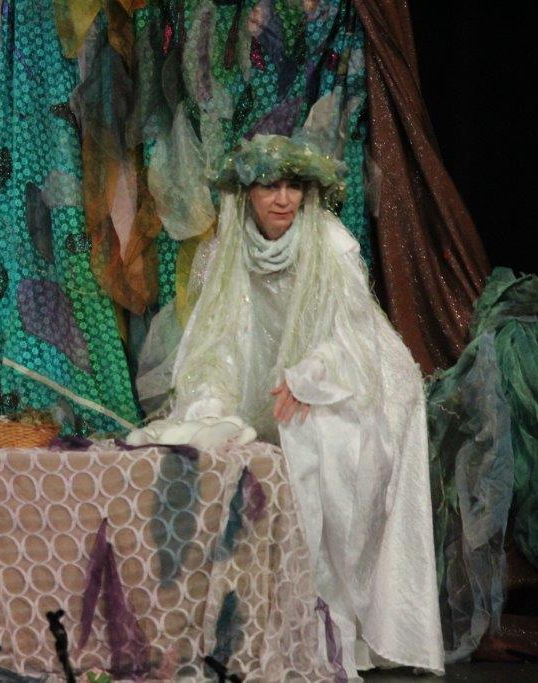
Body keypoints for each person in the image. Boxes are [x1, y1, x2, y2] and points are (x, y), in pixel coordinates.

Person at [130, 134, 445, 679]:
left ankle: (330, 627)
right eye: (269, 186)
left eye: (293, 186)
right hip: (276, 382)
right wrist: (213, 402)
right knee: (215, 442)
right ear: (247, 194)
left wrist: (309, 377)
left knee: (323, 445)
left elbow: (352, 335)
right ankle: (264, 625)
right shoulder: (227, 247)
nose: (283, 199)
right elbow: (217, 336)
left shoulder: (332, 243)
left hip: (360, 380)